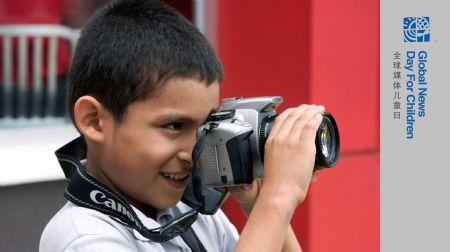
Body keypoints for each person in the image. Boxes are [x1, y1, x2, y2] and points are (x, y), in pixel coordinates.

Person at [39, 0, 325, 251]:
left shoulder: (191, 215)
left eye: (205, 128)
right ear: (94, 121)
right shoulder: (81, 236)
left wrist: (258, 203)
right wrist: (277, 199)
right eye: (175, 126)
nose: (194, 152)